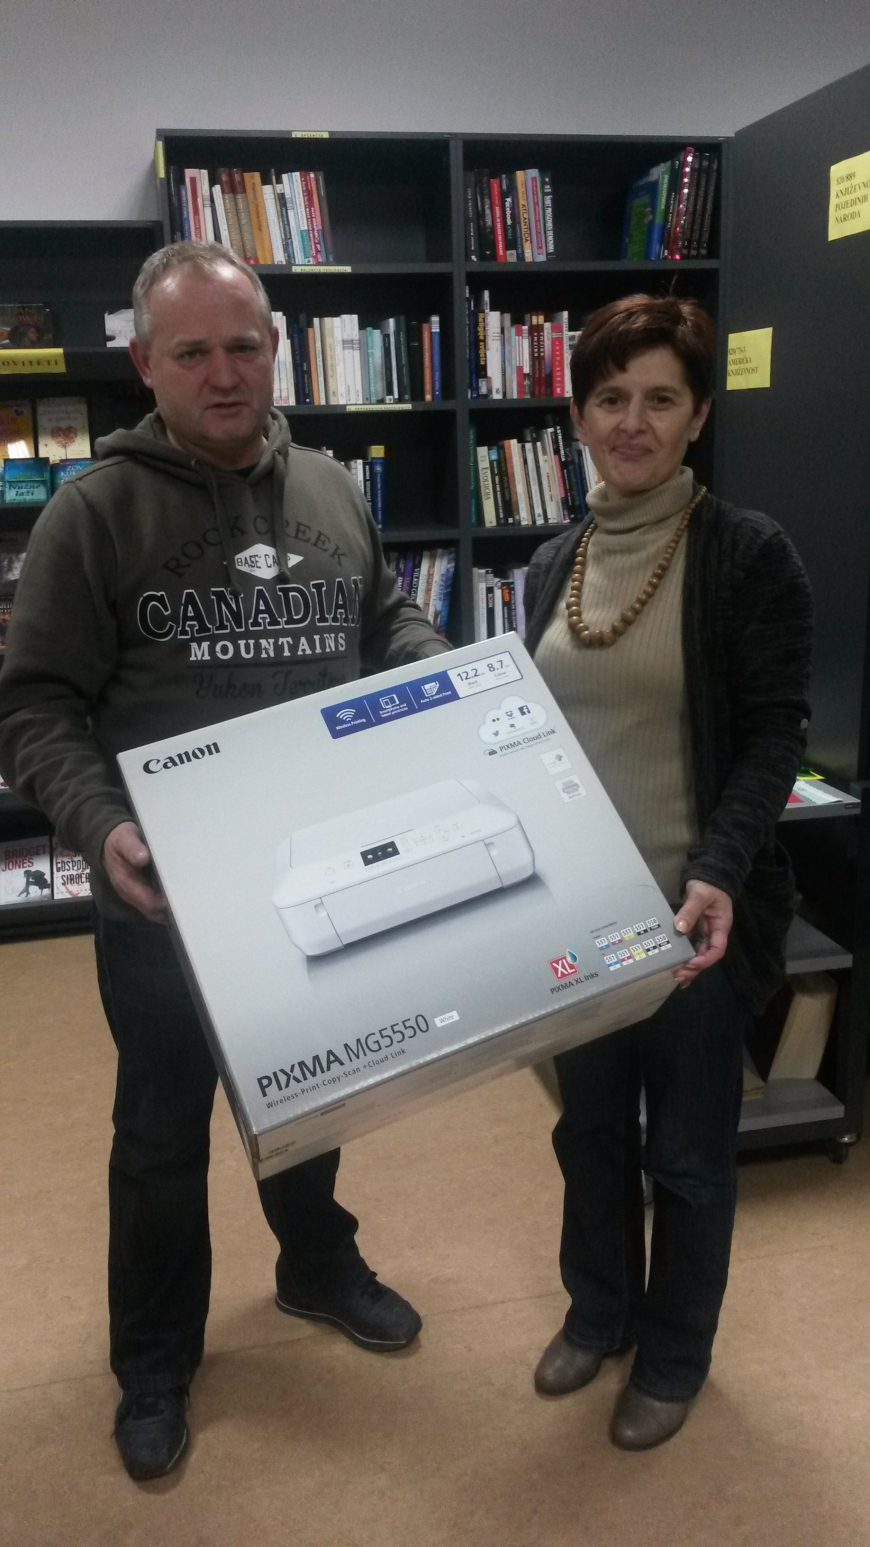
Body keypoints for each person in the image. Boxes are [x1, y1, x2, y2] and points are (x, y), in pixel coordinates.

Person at [0, 242, 450, 1481]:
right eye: (191, 351)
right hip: (166, 897)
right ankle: (154, 1359)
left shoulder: (331, 488)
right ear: (145, 363)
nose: (223, 372)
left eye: (244, 345)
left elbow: (383, 616)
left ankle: (316, 1262)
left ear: (276, 348)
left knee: (314, 1090)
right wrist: (102, 826)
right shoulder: (93, 511)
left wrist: (435, 670)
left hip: (320, 873)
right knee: (160, 1132)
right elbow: (34, 702)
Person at [523, 294, 812, 1450]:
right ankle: (599, 1311)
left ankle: (676, 1352)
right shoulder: (553, 561)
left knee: (687, 1158)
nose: (631, 421)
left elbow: (775, 732)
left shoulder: (747, 553)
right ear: (578, 417)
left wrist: (722, 869)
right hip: (579, 924)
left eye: (659, 398)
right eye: (610, 398)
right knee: (588, 1133)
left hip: (693, 924)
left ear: (698, 415)